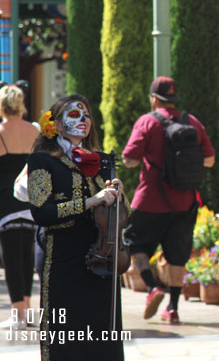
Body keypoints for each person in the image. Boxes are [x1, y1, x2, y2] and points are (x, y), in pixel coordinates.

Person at [27, 94, 125, 360]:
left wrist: (119, 196)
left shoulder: (104, 161)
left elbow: (120, 214)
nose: (83, 120)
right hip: (63, 257)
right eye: (73, 115)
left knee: (102, 334)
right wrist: (91, 201)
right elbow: (41, 212)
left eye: (87, 115)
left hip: (101, 256)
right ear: (56, 125)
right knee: (66, 332)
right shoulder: (41, 160)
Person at [122, 76, 215, 324]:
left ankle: (152, 288)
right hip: (185, 201)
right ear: (174, 98)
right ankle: (173, 308)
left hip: (150, 200)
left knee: (133, 242)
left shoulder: (147, 122)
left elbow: (129, 158)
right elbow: (210, 159)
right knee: (177, 255)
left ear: (154, 98)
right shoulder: (192, 123)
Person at [0, 85, 39, 330]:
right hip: (31, 200)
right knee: (27, 256)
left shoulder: (1, 131)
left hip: (6, 203)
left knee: (11, 258)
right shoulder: (34, 131)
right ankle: (26, 308)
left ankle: (19, 315)